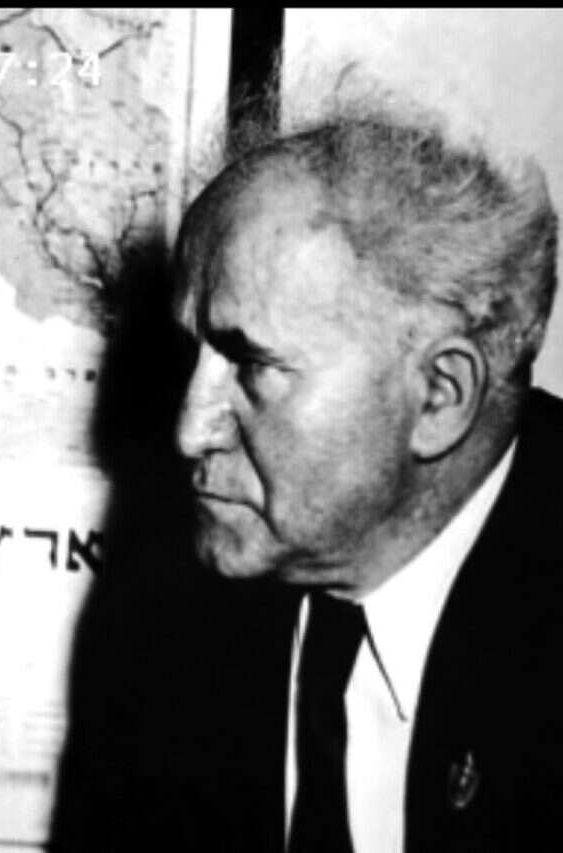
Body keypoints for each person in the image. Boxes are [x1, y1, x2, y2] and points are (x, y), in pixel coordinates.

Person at [52, 112, 562, 852]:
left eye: (252, 365)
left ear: (439, 396)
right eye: (192, 354)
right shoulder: (159, 626)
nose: (190, 431)